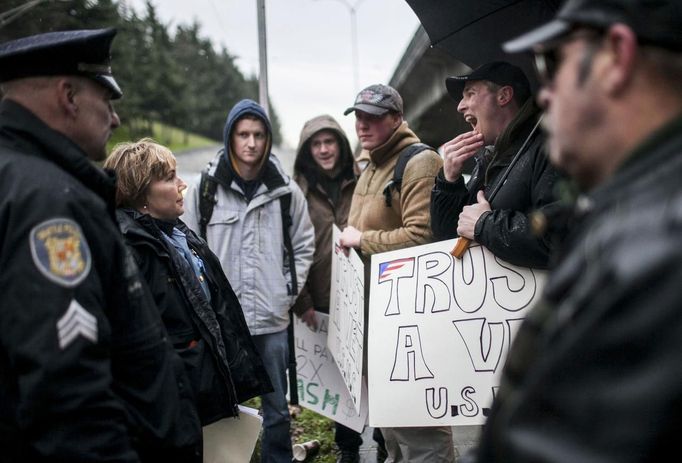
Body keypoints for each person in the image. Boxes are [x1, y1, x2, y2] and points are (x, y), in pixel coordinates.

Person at [463, 0, 682, 461]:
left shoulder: (650, 255)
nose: (543, 94)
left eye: (552, 62)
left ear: (616, 58)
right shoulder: (631, 218)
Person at [0, 29, 201, 461]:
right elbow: (67, 391)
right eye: (106, 102)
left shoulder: (20, 179)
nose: (114, 120)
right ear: (68, 96)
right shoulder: (48, 202)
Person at [104, 138, 272, 427]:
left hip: (200, 391)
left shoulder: (178, 234)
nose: (182, 184)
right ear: (140, 192)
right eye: (169, 178)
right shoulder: (129, 250)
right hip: (173, 403)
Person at [183, 99, 315, 463]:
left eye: (258, 134)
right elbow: (187, 244)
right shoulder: (205, 189)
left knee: (276, 409)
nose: (251, 143)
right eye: (243, 134)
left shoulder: (286, 192)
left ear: (268, 139)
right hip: (223, 322)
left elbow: (304, 244)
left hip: (272, 319)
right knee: (227, 408)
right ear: (230, 138)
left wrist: (287, 291)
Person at [339, 84, 455, 463]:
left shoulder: (419, 162)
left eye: (372, 117)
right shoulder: (371, 162)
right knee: (390, 426)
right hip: (375, 316)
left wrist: (362, 239)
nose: (362, 124)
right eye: (358, 116)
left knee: (420, 429)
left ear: (397, 119)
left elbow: (424, 238)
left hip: (406, 321)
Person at [430, 61, 562, 268]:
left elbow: (557, 239)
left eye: (470, 93)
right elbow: (445, 236)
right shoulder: (487, 160)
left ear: (504, 96)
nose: (459, 106)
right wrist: (448, 181)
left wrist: (485, 224)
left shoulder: (550, 148)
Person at [292, 115, 364, 463]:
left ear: (341, 144)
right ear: (308, 150)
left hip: (364, 297)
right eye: (316, 144)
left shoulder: (362, 180)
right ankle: (348, 450)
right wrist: (301, 300)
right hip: (320, 301)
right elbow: (287, 248)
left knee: (372, 377)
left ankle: (381, 442)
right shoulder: (297, 192)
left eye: (329, 142)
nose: (323, 150)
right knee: (341, 383)